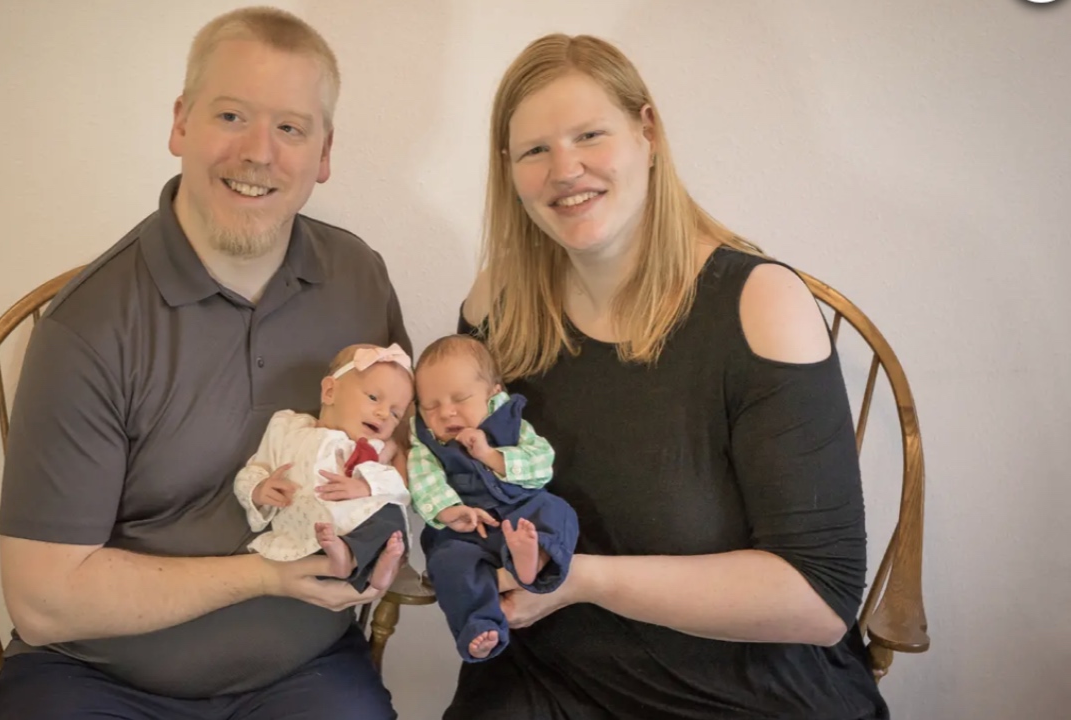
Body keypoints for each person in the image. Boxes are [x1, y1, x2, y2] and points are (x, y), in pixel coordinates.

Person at [443, 33, 889, 719]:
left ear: (647, 132)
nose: (565, 169)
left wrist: (580, 580)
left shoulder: (759, 303)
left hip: (744, 688)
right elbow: (461, 474)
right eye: (534, 150)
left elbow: (819, 600)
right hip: (550, 673)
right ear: (509, 169)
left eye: (589, 135)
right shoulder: (498, 301)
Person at [0, 7, 407, 719]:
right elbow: (43, 600)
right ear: (181, 123)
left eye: (290, 128)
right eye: (231, 116)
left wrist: (385, 522)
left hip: (305, 670)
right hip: (97, 679)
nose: (258, 153)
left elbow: (404, 440)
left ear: (324, 152)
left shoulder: (357, 278)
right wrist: (265, 576)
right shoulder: (87, 326)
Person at [406, 333, 578, 662]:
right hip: (466, 530)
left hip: (522, 512)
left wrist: (490, 455)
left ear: (493, 395)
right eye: (431, 406)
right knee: (447, 563)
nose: (447, 413)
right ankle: (479, 626)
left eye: (460, 399)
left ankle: (534, 558)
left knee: (558, 511)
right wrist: (449, 511)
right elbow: (422, 479)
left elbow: (542, 464)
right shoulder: (425, 443)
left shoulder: (512, 424)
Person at [234, 343, 414, 592]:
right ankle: (340, 557)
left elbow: (398, 484)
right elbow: (255, 469)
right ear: (330, 391)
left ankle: (376, 567)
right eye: (373, 398)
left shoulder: (376, 448)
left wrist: (365, 486)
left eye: (395, 414)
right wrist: (258, 489)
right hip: (306, 524)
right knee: (335, 532)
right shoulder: (287, 428)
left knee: (390, 516)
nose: (384, 414)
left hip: (355, 522)